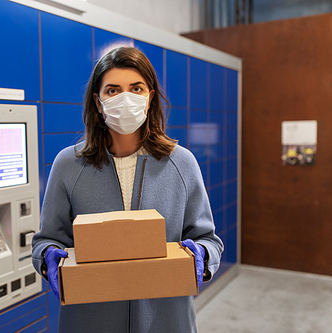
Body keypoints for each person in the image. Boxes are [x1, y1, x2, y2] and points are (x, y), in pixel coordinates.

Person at [32, 46, 224, 332]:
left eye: (136, 88)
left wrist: (202, 256)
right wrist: (47, 258)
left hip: (166, 320)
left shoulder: (181, 163)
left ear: (150, 99)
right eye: (112, 90)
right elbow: (46, 241)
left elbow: (208, 239)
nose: (125, 98)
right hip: (90, 321)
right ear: (98, 102)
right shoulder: (68, 165)